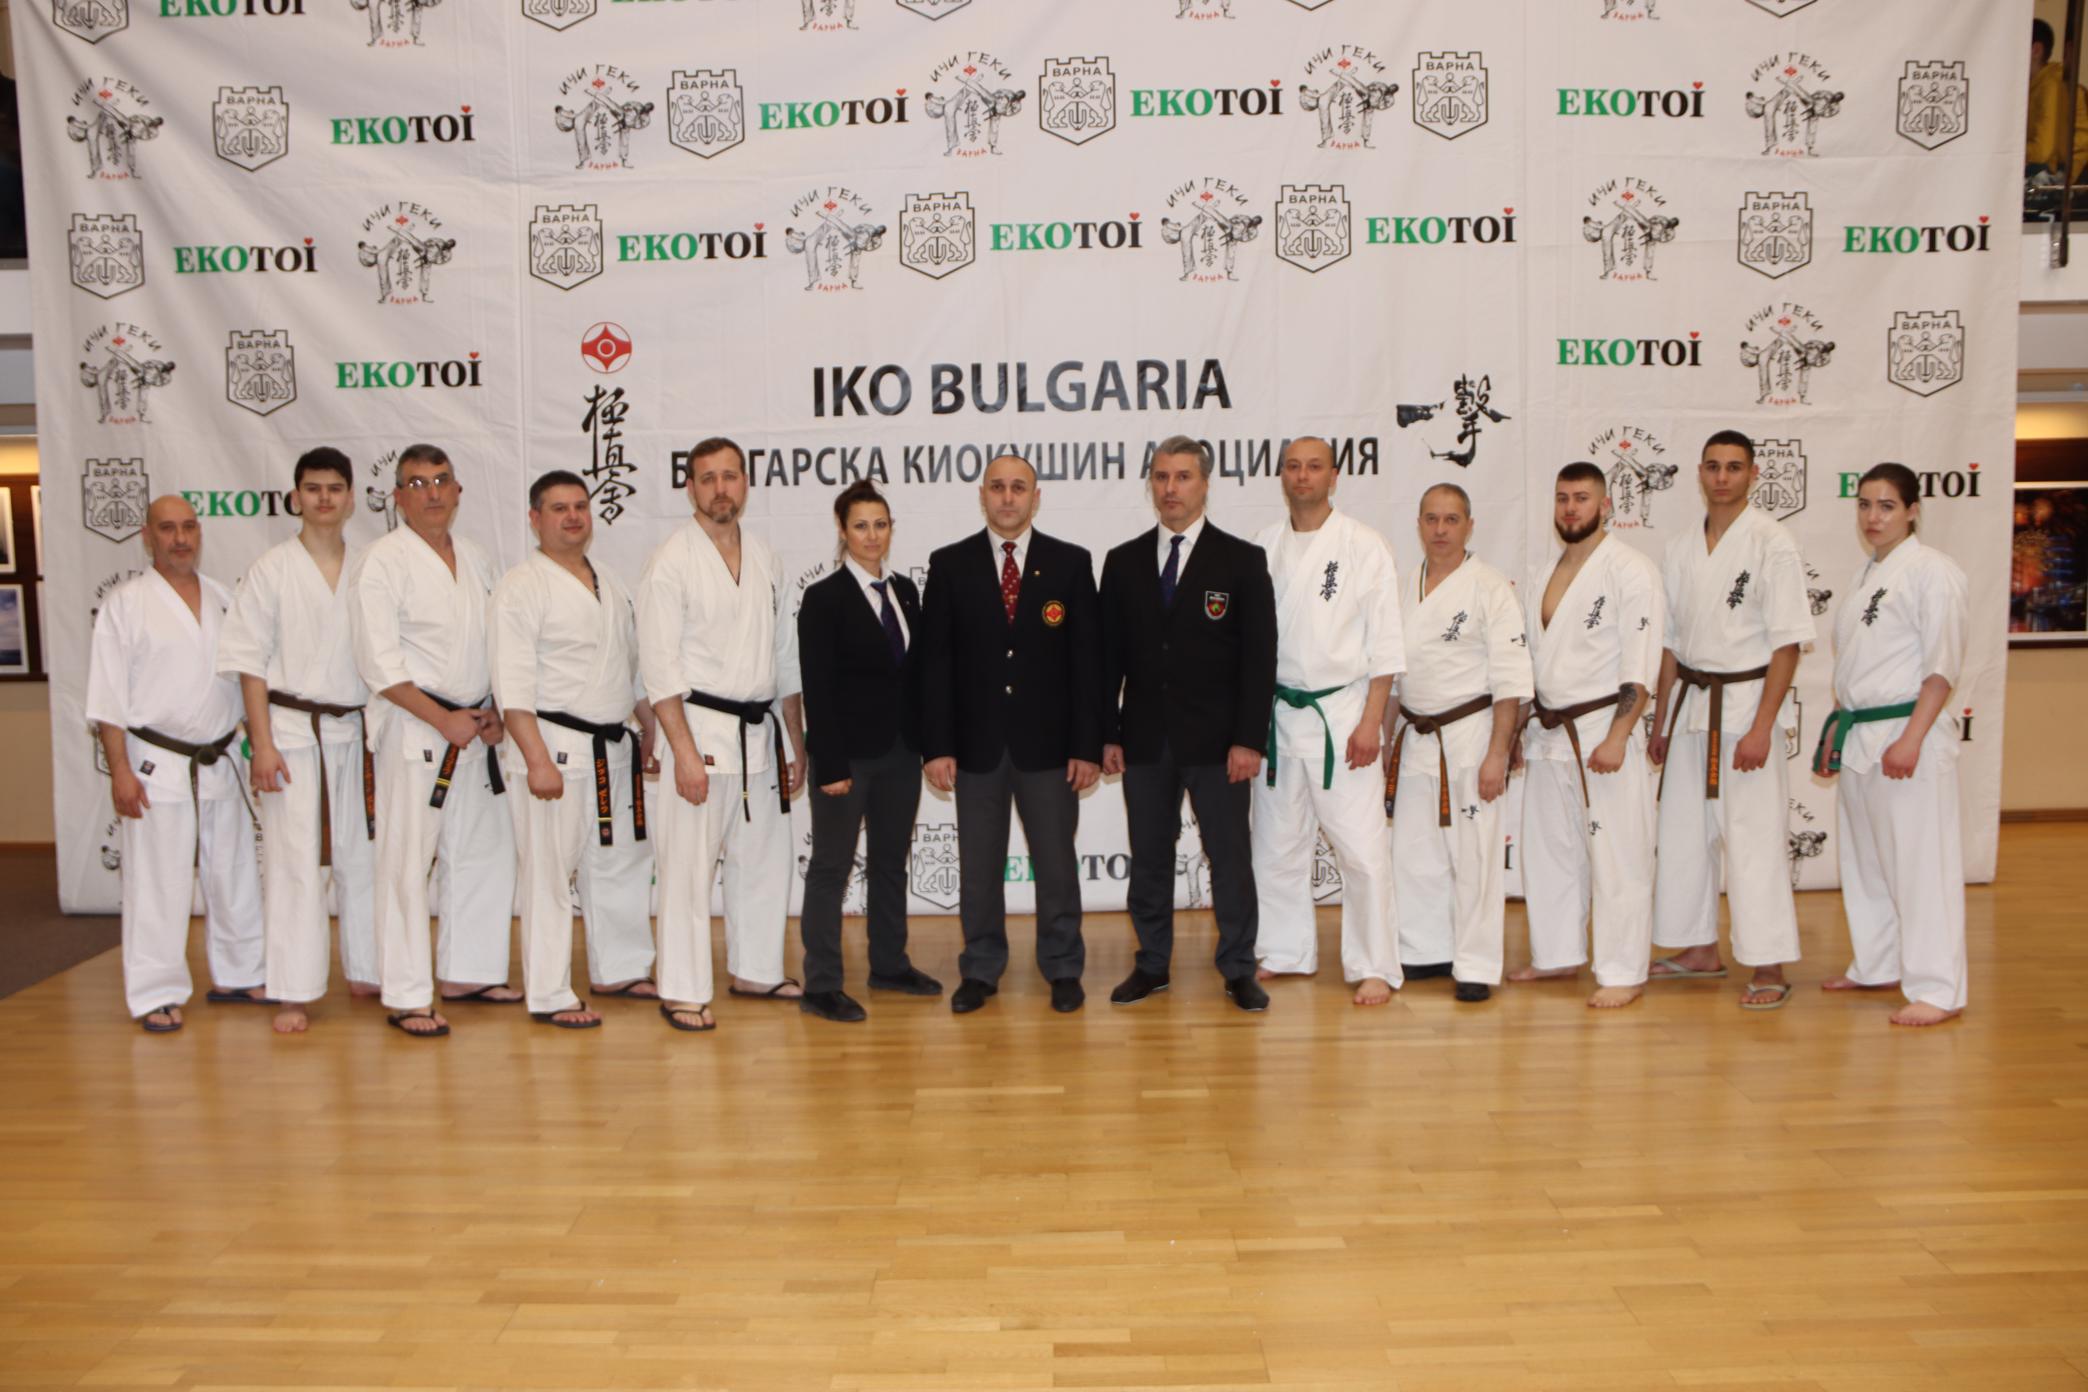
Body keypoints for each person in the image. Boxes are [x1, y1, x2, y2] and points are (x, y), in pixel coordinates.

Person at [1099, 434, 1277, 1013]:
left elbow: (1259, 659)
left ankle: (1239, 968)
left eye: (1182, 477)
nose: (1170, 488)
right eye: (1161, 477)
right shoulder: (1123, 561)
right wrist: (1107, 733)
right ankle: (1152, 964)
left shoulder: (1242, 560)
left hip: (1219, 742)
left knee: (1229, 858)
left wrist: (1249, 739)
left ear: (1204, 484)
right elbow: (1108, 659)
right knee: (1149, 857)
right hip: (1145, 740)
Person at [919, 454, 1101, 1016]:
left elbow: (1088, 665)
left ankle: (1063, 966)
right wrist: (937, 745)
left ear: (1035, 497)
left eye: (1018, 487)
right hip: (975, 748)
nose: (1007, 497)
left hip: (1050, 749)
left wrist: (1087, 746)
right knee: (978, 867)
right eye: (997, 487)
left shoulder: (1071, 563)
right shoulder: (949, 564)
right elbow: (934, 664)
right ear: (982, 495)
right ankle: (980, 968)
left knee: (1056, 864)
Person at [637, 437, 807, 1034]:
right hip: (698, 731)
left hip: (759, 733)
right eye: (707, 478)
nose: (720, 489)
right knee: (686, 870)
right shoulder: (671, 561)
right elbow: (658, 667)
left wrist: (796, 740)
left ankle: (756, 970)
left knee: (762, 862)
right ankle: (681, 988)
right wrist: (683, 754)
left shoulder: (765, 558)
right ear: (690, 488)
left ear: (745, 484)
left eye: (730, 476)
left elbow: (784, 658)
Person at [347, 444, 515, 1038]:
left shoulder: (476, 558)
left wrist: (494, 711)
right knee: (406, 860)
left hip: (474, 726)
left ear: (458, 490)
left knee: (483, 852)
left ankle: (471, 972)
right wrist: (440, 719)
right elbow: (378, 664)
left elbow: (496, 643)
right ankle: (407, 992)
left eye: (441, 480)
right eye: (417, 483)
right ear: (398, 497)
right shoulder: (381, 562)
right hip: (417, 725)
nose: (432, 492)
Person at [1647, 431, 1814, 1010]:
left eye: (1734, 467)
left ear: (1753, 475)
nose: (1722, 477)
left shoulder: (1772, 543)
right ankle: (1699, 947)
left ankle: (1769, 962)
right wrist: (1660, 722)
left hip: (1745, 706)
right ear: (1699, 472)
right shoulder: (1679, 548)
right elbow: (1668, 645)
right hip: (1691, 704)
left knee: (1753, 836)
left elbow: (1788, 643)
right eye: (1713, 466)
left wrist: (1763, 726)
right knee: (1685, 834)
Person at [86, 495, 265, 1032]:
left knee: (234, 872)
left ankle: (240, 974)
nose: (180, 538)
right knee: (157, 880)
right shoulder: (125, 604)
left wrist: (256, 745)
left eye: (188, 527)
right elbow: (107, 700)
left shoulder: (224, 598)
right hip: (155, 762)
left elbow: (247, 682)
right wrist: (119, 770)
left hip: (221, 756)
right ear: (147, 537)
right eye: (167, 528)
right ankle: (155, 992)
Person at [492, 471, 660, 1030]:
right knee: (549, 872)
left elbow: (631, 667)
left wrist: (649, 730)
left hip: (612, 745)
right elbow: (512, 686)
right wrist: (536, 760)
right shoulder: (521, 586)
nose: (572, 517)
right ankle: (548, 991)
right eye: (558, 508)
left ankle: (620, 968)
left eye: (580, 507)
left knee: (619, 862)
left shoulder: (608, 580)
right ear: (534, 518)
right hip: (552, 744)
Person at [216, 447, 375, 1034]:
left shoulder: (370, 567)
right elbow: (248, 665)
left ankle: (368, 968)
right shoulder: (270, 570)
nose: (324, 498)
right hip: (289, 732)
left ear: (351, 498)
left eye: (334, 488)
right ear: (295, 497)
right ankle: (293, 989)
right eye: (313, 488)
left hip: (357, 731)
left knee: (364, 856)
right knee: (293, 863)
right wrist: (260, 744)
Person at [1250, 436, 1405, 1006]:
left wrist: (1372, 722)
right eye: (1293, 466)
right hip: (1277, 714)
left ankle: (1374, 964)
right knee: (1276, 844)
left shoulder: (1364, 545)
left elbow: (1386, 644)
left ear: (1334, 476)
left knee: (1361, 849)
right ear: (1282, 476)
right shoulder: (1264, 545)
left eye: (1314, 467)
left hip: (1342, 713)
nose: (1302, 476)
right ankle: (1285, 951)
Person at [1814, 463, 1969, 1027]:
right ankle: (1877, 964)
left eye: (1886, 506)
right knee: (1867, 862)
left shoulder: (1933, 572)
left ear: (1912, 510)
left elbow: (1941, 669)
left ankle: (1939, 988)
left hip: (1907, 733)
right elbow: (1858, 668)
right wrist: (1838, 726)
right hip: (1861, 733)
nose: (1873, 517)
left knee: (1920, 865)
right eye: (1864, 505)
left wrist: (1912, 738)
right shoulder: (1867, 575)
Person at [1509, 463, 1665, 1010]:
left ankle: (1623, 970)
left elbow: (1641, 665)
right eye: (1562, 498)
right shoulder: (1541, 573)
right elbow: (1528, 662)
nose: (1570, 508)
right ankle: (1557, 954)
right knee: (1549, 850)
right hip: (1549, 731)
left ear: (1606, 507)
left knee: (1618, 854)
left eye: (1581, 498)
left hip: (1603, 729)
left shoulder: (1631, 570)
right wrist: (1516, 732)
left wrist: (1620, 735)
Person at [796, 480, 942, 1022]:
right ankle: (822, 984)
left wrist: (929, 747)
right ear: (842, 530)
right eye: (860, 525)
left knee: (889, 863)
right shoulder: (823, 598)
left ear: (891, 529)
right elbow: (817, 687)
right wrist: (830, 763)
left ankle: (889, 965)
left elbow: (917, 676)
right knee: (831, 869)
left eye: (880, 524)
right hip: (847, 759)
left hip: (901, 753)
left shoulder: (905, 591)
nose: (872, 535)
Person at [1388, 483, 1532, 1003]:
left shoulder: (1490, 588)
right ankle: (1426, 949)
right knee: (1414, 852)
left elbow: (1511, 679)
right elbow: (1391, 675)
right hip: (1415, 736)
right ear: (1419, 525)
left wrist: (1498, 752)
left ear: (1470, 525)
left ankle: (1475, 963)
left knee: (1475, 856)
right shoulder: (1403, 585)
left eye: (1452, 520)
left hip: (1471, 736)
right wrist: (1384, 742)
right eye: (1432, 519)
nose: (1441, 530)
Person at [2029, 19, 2088, 182]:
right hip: (2048, 168)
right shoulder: (2035, 85)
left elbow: (2044, 151)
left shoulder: (2052, 85)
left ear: (2036, 50)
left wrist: (2011, 150)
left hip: (2066, 175)